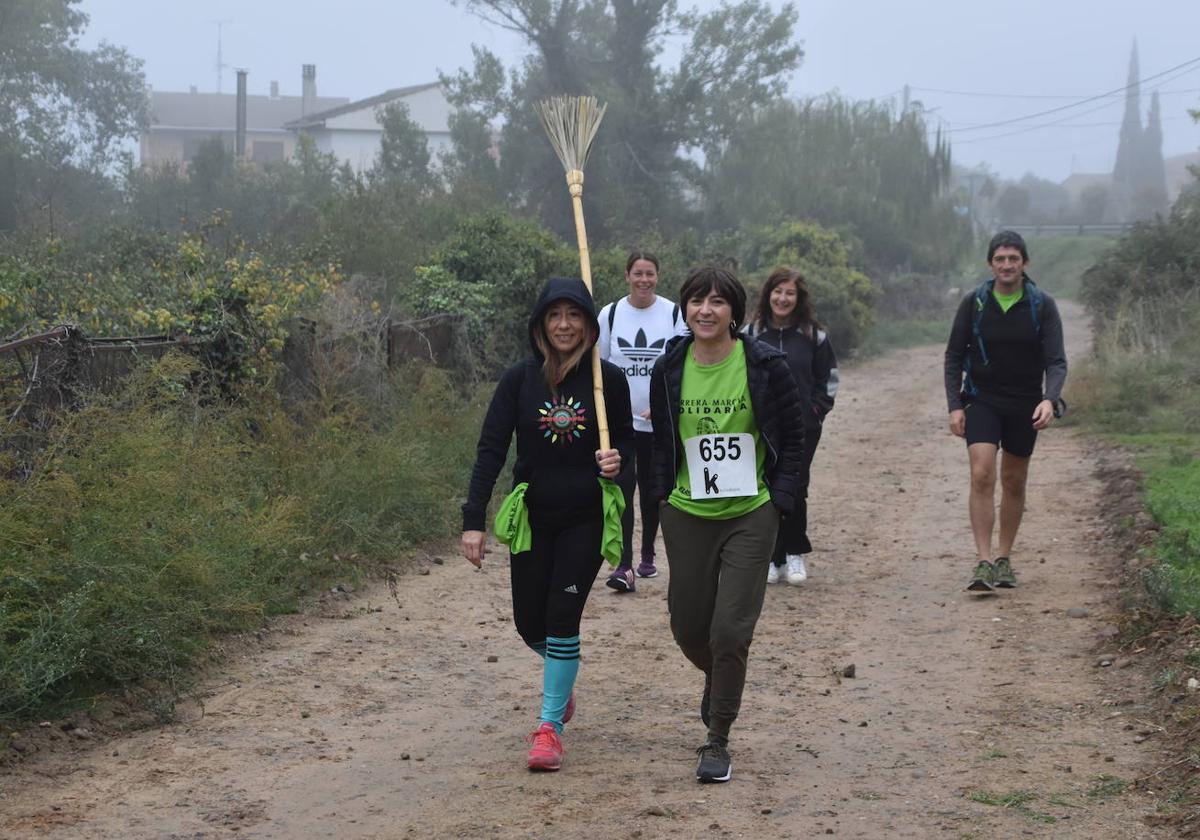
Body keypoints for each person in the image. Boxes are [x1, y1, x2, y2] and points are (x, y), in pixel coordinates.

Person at [461, 277, 634, 771]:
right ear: (540, 324)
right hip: (534, 516)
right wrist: (473, 520)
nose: (564, 324)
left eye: (574, 314)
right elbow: (491, 449)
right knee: (528, 623)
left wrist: (617, 463)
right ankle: (563, 676)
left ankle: (548, 729)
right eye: (554, 315)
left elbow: (629, 443)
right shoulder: (519, 380)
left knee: (562, 616)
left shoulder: (608, 381)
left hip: (585, 518)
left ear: (587, 323)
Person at [649, 264, 805, 783]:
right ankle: (718, 679)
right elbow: (660, 444)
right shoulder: (668, 367)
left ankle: (717, 737)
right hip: (687, 512)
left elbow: (795, 439)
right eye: (697, 301)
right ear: (684, 308)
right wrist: (661, 502)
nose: (706, 310)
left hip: (750, 513)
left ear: (735, 311)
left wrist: (779, 500)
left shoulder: (765, 365)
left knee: (731, 629)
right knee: (689, 626)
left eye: (717, 302)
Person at [944, 231, 1067, 593]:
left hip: (1025, 402)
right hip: (982, 399)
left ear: (1024, 263)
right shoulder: (975, 302)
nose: (1007, 265)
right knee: (982, 474)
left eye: (1014, 258)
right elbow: (953, 356)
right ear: (990, 264)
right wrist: (955, 405)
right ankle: (982, 560)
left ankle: (1003, 558)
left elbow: (1056, 361)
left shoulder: (1041, 304)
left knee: (1013, 481)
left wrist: (1050, 399)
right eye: (1000, 259)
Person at [597, 250, 686, 593]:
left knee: (653, 490)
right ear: (627, 276)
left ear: (658, 277)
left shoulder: (674, 314)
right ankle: (624, 565)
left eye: (650, 274)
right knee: (622, 486)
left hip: (658, 421)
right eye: (638, 273)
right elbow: (600, 366)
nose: (644, 280)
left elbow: (680, 366)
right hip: (622, 423)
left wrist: (663, 402)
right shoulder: (612, 313)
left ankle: (648, 552)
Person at [744, 268, 838, 586]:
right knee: (767, 488)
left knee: (796, 487)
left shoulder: (814, 335)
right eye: (778, 291)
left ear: (798, 299)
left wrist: (816, 410)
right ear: (768, 294)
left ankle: (795, 553)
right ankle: (773, 556)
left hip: (803, 427)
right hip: (762, 428)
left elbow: (829, 379)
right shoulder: (751, 334)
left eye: (790, 293)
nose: (783, 298)